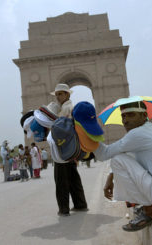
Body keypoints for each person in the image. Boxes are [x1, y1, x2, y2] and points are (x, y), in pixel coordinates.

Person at [93, 101, 152, 232]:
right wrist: (110, 178)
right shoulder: (149, 130)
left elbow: (103, 154)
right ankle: (151, 206)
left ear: (144, 115)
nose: (125, 121)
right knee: (122, 158)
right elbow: (126, 153)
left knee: (117, 160)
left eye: (130, 115)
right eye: (123, 116)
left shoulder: (137, 135)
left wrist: (86, 132)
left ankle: (150, 211)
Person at [49, 84, 88, 217]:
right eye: (57, 94)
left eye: (61, 94)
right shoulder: (66, 107)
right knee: (73, 177)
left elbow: (58, 126)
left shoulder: (67, 108)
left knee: (61, 180)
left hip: (62, 148)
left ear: (67, 95)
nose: (58, 97)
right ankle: (80, 204)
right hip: (70, 148)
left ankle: (63, 209)